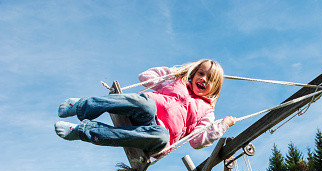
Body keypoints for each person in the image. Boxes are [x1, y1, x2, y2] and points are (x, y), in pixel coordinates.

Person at [54, 59, 236, 158]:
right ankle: (81, 107)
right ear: (193, 74)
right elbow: (145, 76)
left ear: (216, 86)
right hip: (144, 114)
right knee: (147, 103)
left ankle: (83, 131)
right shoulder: (177, 81)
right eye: (200, 73)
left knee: (162, 135)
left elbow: (196, 142)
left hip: (156, 137)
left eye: (209, 78)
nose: (203, 79)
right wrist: (176, 73)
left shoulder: (207, 111)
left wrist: (223, 125)